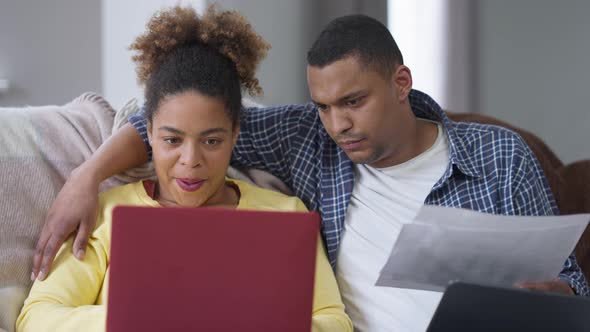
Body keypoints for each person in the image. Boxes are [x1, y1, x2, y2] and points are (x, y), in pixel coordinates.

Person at [32, 11, 588, 332]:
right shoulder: (308, 138)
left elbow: (569, 285)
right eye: (322, 106)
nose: (337, 124)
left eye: (352, 102)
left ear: (401, 84)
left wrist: (558, 296)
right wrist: (86, 178)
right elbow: (176, 116)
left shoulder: (500, 156)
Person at [17, 6, 353, 332]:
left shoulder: (286, 215)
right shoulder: (107, 215)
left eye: (211, 142)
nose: (190, 161)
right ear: (148, 132)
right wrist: (145, 318)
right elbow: (37, 318)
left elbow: (335, 321)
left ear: (236, 133)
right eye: (173, 140)